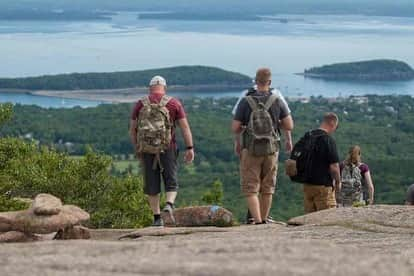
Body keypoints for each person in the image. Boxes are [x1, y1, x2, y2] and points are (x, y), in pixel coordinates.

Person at [129, 75, 194, 227]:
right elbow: (185, 128)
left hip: (146, 148)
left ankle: (157, 218)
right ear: (164, 88)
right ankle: (169, 205)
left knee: (152, 185)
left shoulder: (141, 104)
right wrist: (190, 147)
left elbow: (132, 130)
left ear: (150, 88)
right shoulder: (173, 103)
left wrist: (137, 148)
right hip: (168, 147)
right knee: (171, 180)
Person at [232, 68, 294, 224]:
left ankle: (257, 220)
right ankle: (265, 219)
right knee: (268, 186)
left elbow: (235, 127)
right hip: (271, 149)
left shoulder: (246, 101)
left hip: (251, 148)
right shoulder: (277, 100)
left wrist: (240, 137)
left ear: (255, 81)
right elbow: (289, 125)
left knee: (251, 187)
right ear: (270, 82)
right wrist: (277, 125)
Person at [302, 112, 341, 214]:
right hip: (323, 186)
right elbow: (334, 167)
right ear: (332, 123)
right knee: (327, 218)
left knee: (309, 218)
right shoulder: (328, 140)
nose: (334, 130)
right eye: (335, 127)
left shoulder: (308, 136)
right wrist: (337, 182)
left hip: (307, 185)